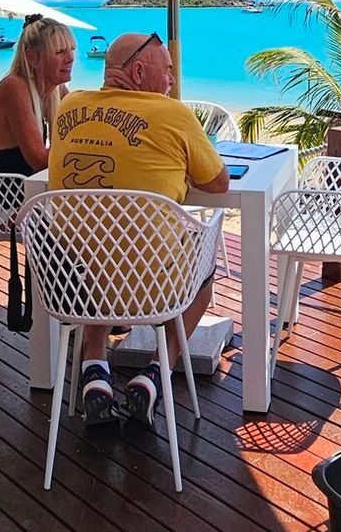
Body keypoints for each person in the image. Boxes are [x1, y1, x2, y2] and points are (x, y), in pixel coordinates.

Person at [48, 31, 228, 425]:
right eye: (167, 71)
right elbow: (218, 184)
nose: (172, 81)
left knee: (92, 242)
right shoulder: (173, 113)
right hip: (153, 289)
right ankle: (154, 375)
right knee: (205, 264)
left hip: (71, 284)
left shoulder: (68, 105)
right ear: (140, 71)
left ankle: (94, 372)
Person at [0, 15, 74, 176]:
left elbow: (81, 122)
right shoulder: (14, 87)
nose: (70, 58)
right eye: (60, 52)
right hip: (4, 194)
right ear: (32, 57)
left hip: (33, 188)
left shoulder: (55, 89)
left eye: (72, 49)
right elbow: (39, 160)